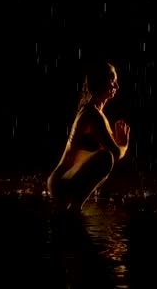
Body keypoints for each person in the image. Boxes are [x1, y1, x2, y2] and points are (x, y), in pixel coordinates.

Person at [47, 62, 130, 211]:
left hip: (69, 179)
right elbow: (116, 153)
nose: (117, 86)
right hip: (61, 181)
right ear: (100, 82)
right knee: (106, 158)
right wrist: (123, 144)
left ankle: (77, 209)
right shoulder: (92, 114)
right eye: (112, 80)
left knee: (106, 159)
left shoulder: (99, 115)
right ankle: (74, 210)